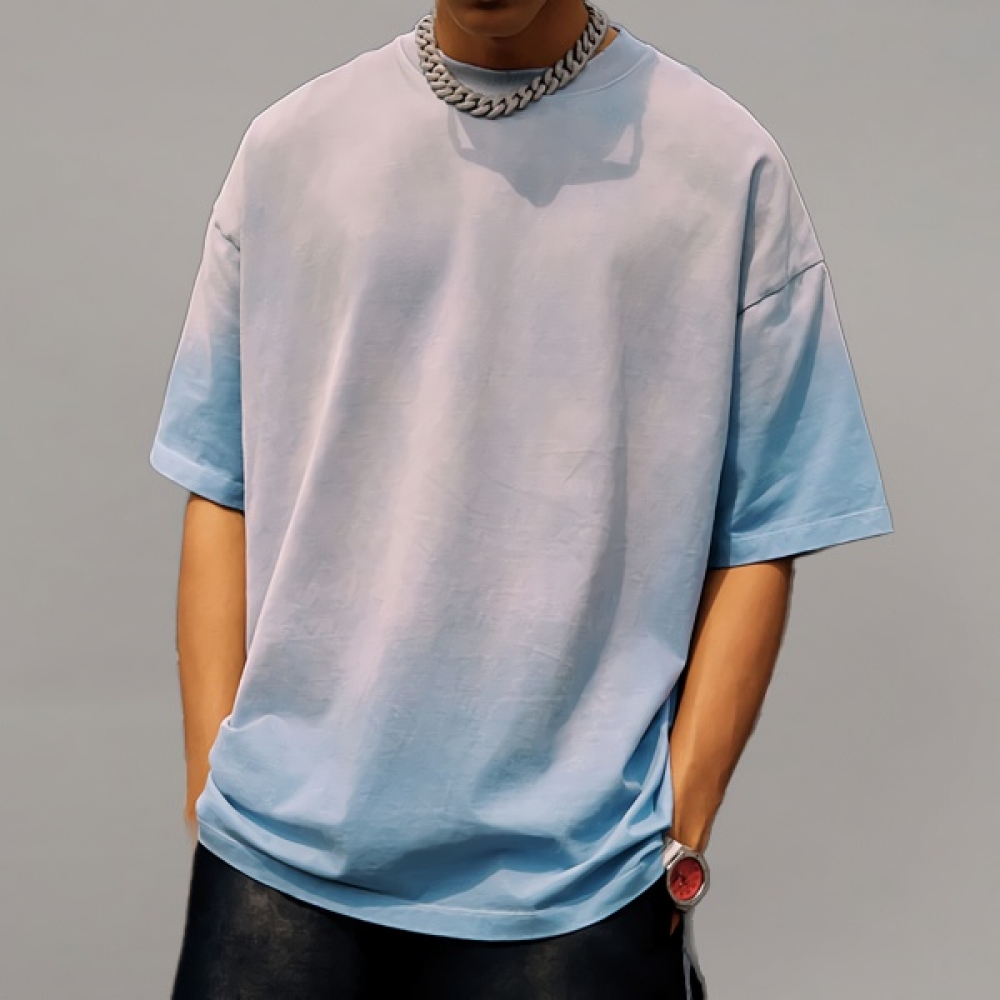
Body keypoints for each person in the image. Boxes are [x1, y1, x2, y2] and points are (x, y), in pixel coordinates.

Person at [149, 1, 893, 997]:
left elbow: (766, 525)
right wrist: (214, 786)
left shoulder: (724, 166)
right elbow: (220, 479)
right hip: (275, 864)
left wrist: (678, 829)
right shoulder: (291, 149)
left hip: (581, 885)